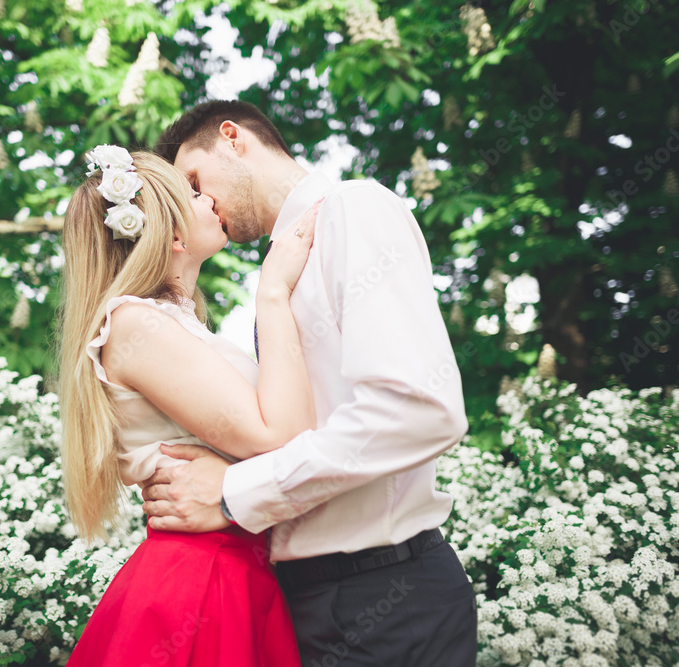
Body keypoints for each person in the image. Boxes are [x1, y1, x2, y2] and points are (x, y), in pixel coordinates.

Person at [143, 100, 478, 666]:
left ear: (232, 138)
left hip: (386, 597)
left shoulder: (354, 210)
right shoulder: (280, 270)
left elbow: (418, 409)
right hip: (303, 602)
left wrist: (234, 494)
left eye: (195, 181)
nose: (195, 207)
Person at [57, 146, 322, 666]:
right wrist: (271, 293)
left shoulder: (172, 325)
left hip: (230, 569)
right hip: (202, 582)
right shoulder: (135, 323)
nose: (212, 199)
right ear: (174, 234)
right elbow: (284, 439)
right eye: (196, 194)